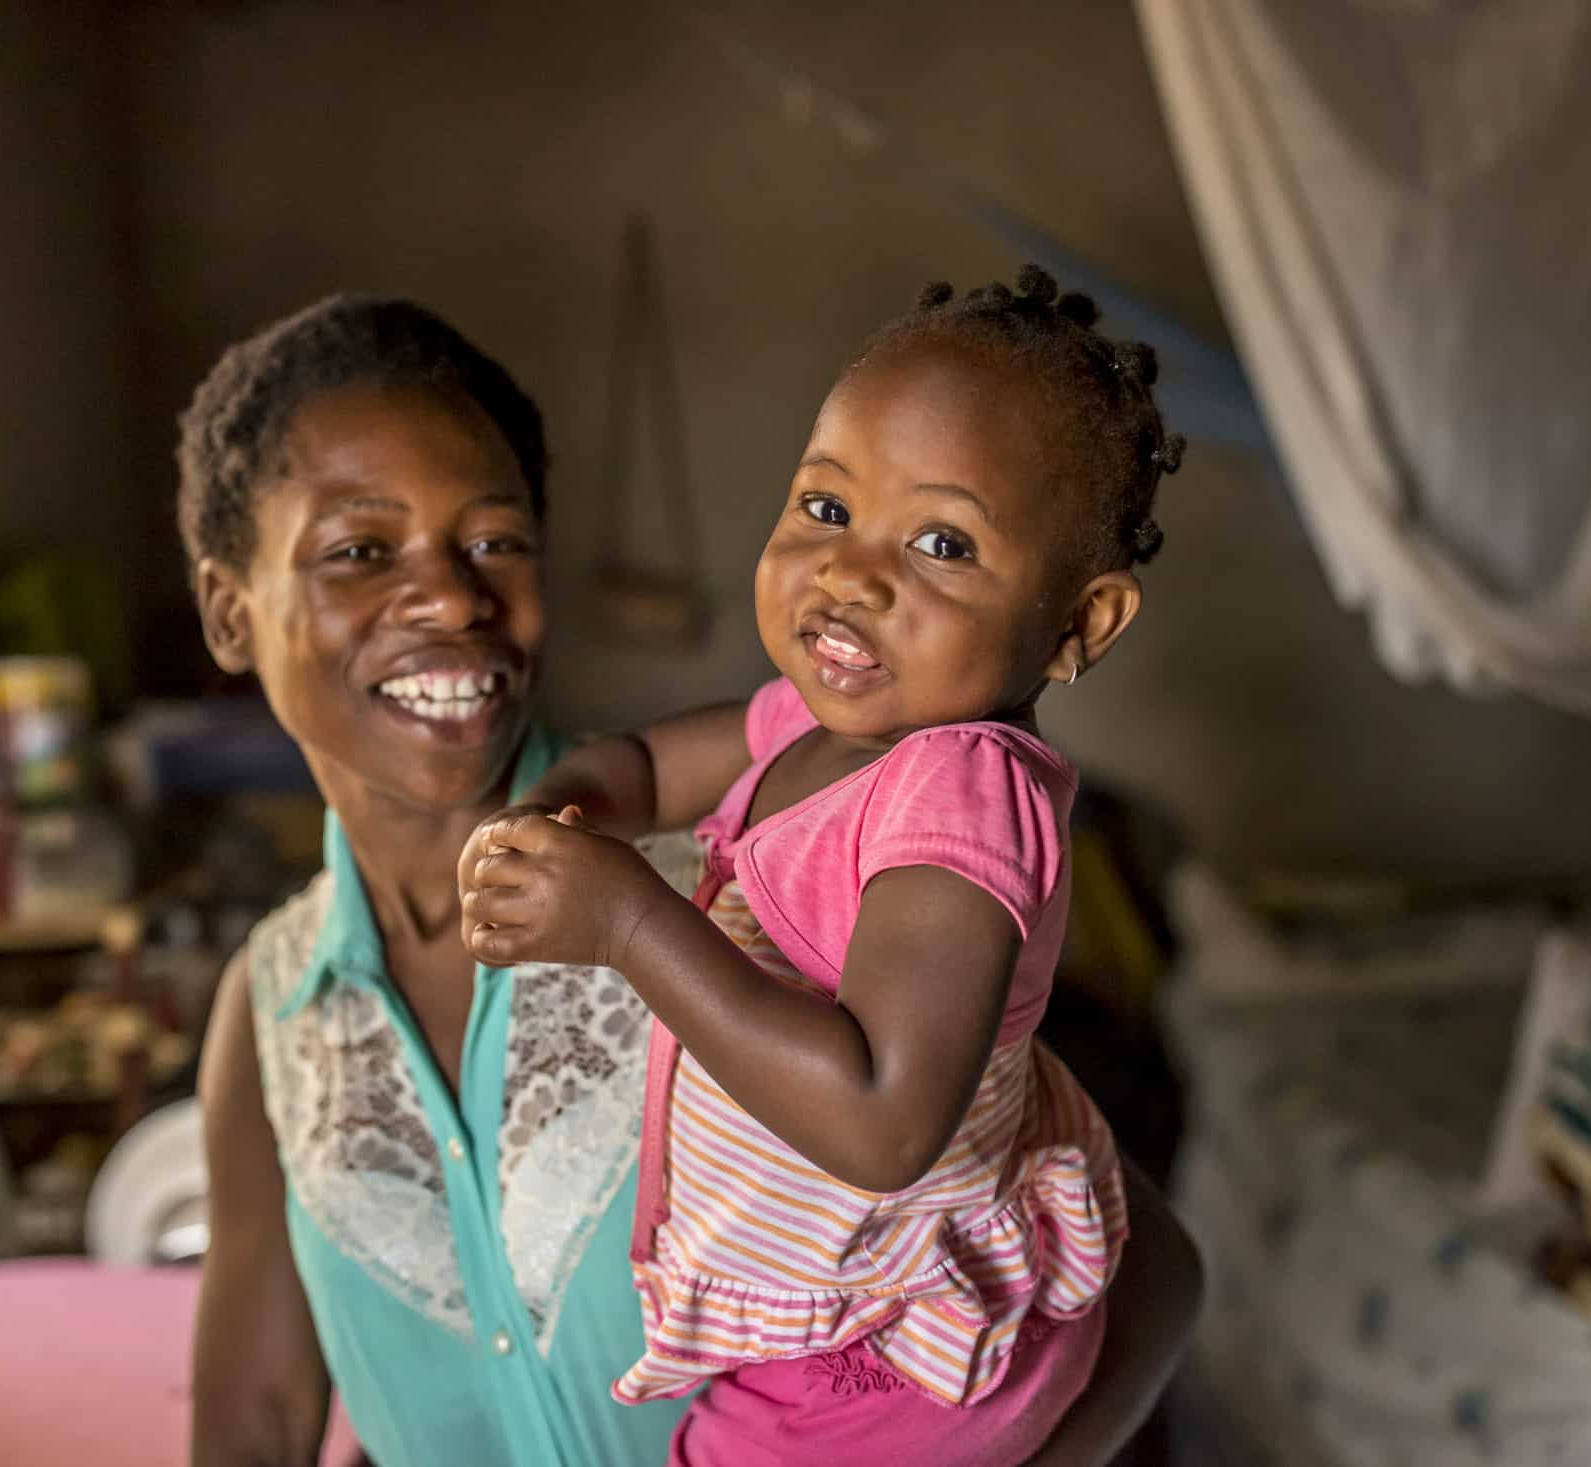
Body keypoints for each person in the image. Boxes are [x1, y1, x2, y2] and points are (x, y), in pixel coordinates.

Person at [182, 293, 1201, 1467]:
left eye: (494, 541)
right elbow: (260, 1420)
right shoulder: (269, 1013)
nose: (453, 597)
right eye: (360, 551)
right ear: (228, 609)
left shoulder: (747, 895)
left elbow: (1144, 1265)